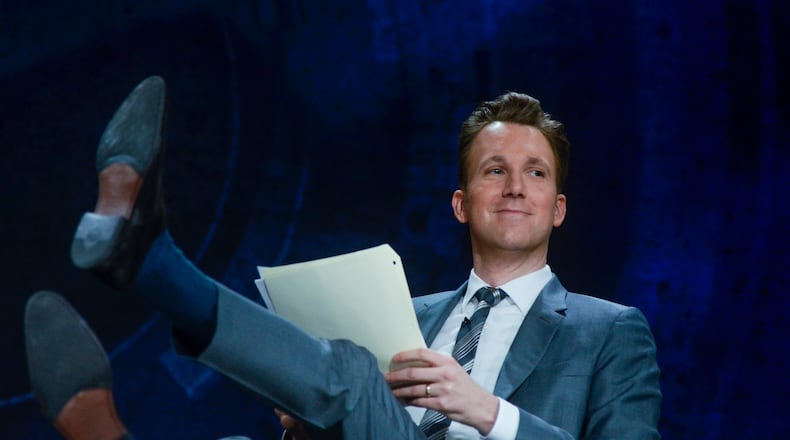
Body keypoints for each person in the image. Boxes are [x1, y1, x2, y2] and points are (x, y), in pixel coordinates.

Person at [43, 76, 661, 439]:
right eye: (494, 170)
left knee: (353, 372)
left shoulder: (609, 331)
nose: (516, 186)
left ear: (558, 208)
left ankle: (153, 263)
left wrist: (489, 412)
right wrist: (312, 418)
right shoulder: (405, 313)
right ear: (460, 204)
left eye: (535, 173)